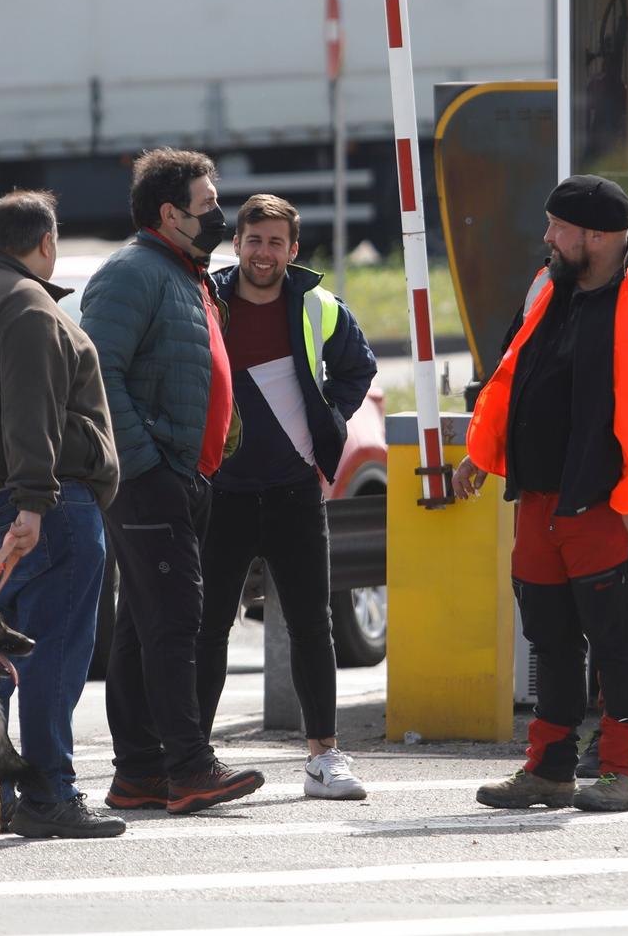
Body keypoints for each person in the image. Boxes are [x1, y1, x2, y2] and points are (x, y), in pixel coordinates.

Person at [454, 175, 628, 813]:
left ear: (597, 236)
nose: (547, 237)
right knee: (550, 635)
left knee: (614, 638)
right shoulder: (546, 288)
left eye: (558, 227)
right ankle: (550, 770)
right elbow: (509, 371)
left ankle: (626, 773)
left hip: (609, 503)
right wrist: (481, 452)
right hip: (540, 496)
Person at [0, 189, 126, 839]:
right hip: (42, 505)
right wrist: (35, 503)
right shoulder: (28, 306)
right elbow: (30, 413)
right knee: (52, 652)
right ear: (45, 242)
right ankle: (50, 794)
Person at [79, 148, 263, 815]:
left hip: (182, 474)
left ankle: (138, 772)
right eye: (206, 204)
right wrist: (150, 462)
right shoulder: (133, 274)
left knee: (142, 625)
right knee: (178, 617)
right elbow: (97, 375)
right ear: (169, 213)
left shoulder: (184, 272)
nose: (219, 214)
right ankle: (189, 766)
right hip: (149, 477)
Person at [200, 194, 379, 801]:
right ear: (237, 244)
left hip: (294, 490)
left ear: (293, 250)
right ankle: (194, 756)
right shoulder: (207, 298)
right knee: (207, 627)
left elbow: (358, 368)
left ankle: (324, 758)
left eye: (276, 243)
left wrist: (327, 424)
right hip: (220, 492)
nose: (264, 253)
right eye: (254, 241)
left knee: (312, 625)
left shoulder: (318, 305)